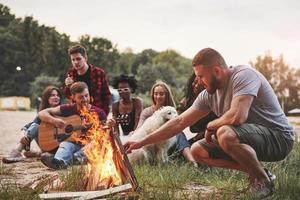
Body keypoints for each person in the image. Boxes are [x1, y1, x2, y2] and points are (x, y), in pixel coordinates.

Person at [125, 48, 294, 198]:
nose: (197, 81)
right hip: (253, 139)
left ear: (217, 71)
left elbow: (237, 116)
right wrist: (140, 142)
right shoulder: (208, 95)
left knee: (224, 133)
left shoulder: (244, 75)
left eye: (200, 76)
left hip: (279, 138)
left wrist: (211, 125)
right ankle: (259, 173)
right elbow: (179, 122)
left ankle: (264, 183)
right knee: (198, 150)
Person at [39, 82, 109, 169]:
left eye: (86, 95)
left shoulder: (99, 113)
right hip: (73, 144)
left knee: (92, 146)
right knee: (65, 144)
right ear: (73, 97)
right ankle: (59, 162)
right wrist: (55, 121)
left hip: (89, 146)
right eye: (80, 97)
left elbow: (105, 135)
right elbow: (42, 113)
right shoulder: (68, 109)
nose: (85, 99)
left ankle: (72, 160)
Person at [135, 81, 196, 164]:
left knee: (179, 133)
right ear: (152, 95)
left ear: (167, 95)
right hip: (151, 146)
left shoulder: (172, 111)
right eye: (156, 93)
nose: (158, 96)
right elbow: (139, 128)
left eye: (161, 94)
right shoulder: (147, 111)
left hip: (169, 146)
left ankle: (191, 160)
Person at [2, 86, 62, 163]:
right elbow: (28, 126)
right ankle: (18, 151)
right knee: (35, 126)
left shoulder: (64, 110)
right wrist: (22, 135)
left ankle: (38, 153)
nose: (56, 97)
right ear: (46, 98)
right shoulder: (42, 114)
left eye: (58, 95)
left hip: (60, 146)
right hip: (47, 145)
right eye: (52, 95)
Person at [64, 44, 111, 115]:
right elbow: (70, 96)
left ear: (85, 58)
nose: (76, 62)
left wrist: (103, 114)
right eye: (73, 60)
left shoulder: (98, 72)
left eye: (78, 59)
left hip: (96, 113)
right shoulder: (71, 73)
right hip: (78, 114)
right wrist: (68, 86)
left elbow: (107, 96)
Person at [177, 73, 217, 141]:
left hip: (207, 136)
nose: (195, 85)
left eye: (199, 83)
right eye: (194, 82)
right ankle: (186, 149)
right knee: (177, 132)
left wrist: (202, 134)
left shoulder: (214, 100)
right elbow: (176, 120)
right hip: (191, 136)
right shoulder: (187, 101)